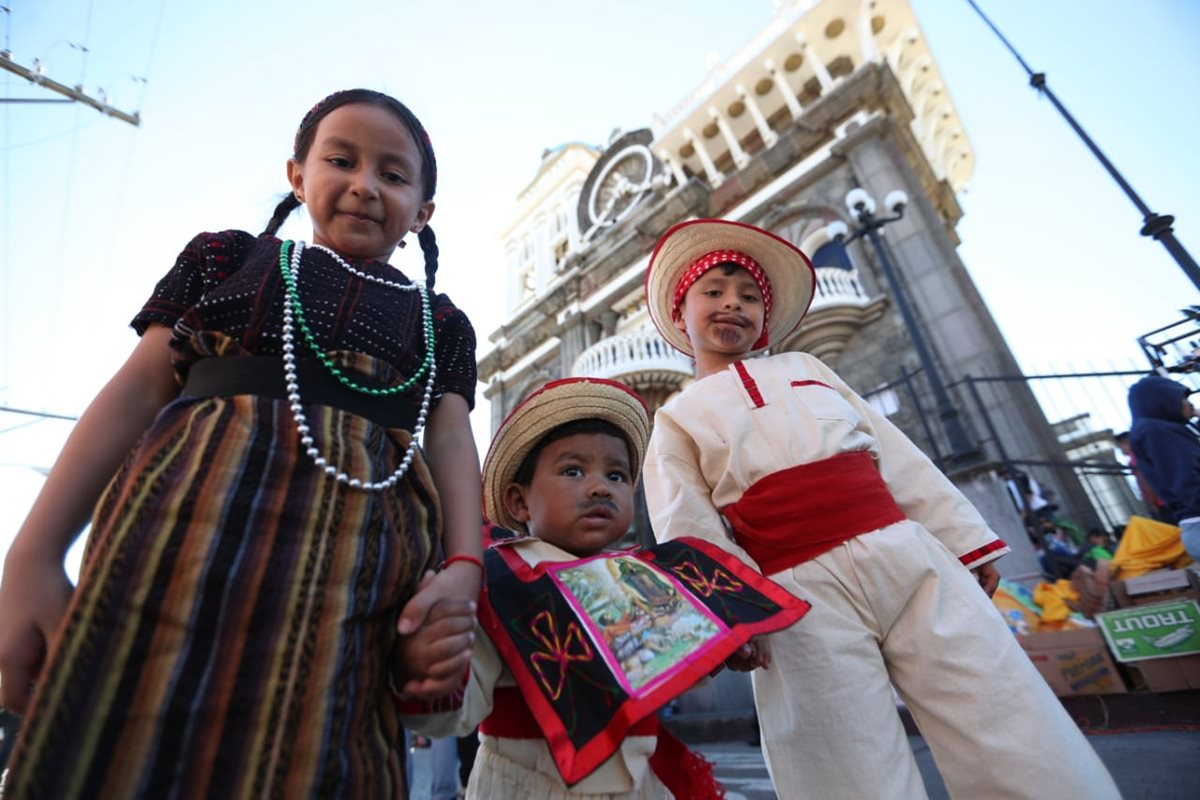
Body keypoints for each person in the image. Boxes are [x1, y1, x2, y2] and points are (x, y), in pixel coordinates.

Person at [0, 89, 481, 799]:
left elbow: (450, 440)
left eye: (393, 174)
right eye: (341, 159)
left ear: (423, 214)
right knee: (113, 742)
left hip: (358, 574)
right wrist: (33, 556)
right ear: (296, 175)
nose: (364, 184)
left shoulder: (439, 321)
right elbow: (136, 390)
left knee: (324, 758)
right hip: (171, 542)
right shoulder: (225, 259)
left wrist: (463, 567)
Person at [640, 218, 1121, 800]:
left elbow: (897, 459)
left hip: (908, 555)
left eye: (749, 297)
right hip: (794, 596)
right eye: (713, 292)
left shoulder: (811, 370)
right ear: (679, 311)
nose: (733, 306)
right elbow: (687, 522)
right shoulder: (675, 416)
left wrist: (962, 539)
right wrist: (733, 615)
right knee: (840, 752)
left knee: (997, 705)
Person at [398, 377, 807, 799]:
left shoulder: (641, 575)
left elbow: (657, 666)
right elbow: (455, 710)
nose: (599, 487)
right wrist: (427, 670)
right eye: (573, 470)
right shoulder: (498, 582)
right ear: (519, 502)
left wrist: (720, 651)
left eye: (616, 475)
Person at [1128, 375, 1200, 560]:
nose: (1188, 404)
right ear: (1162, 400)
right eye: (1182, 399)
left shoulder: (1161, 429)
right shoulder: (1155, 430)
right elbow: (1186, 479)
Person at [1115, 430, 1173, 523]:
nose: (1121, 450)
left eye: (1120, 446)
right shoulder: (1148, 453)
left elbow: (1144, 481)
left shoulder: (1135, 459)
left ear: (1126, 442)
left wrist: (1151, 502)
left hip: (1160, 502)